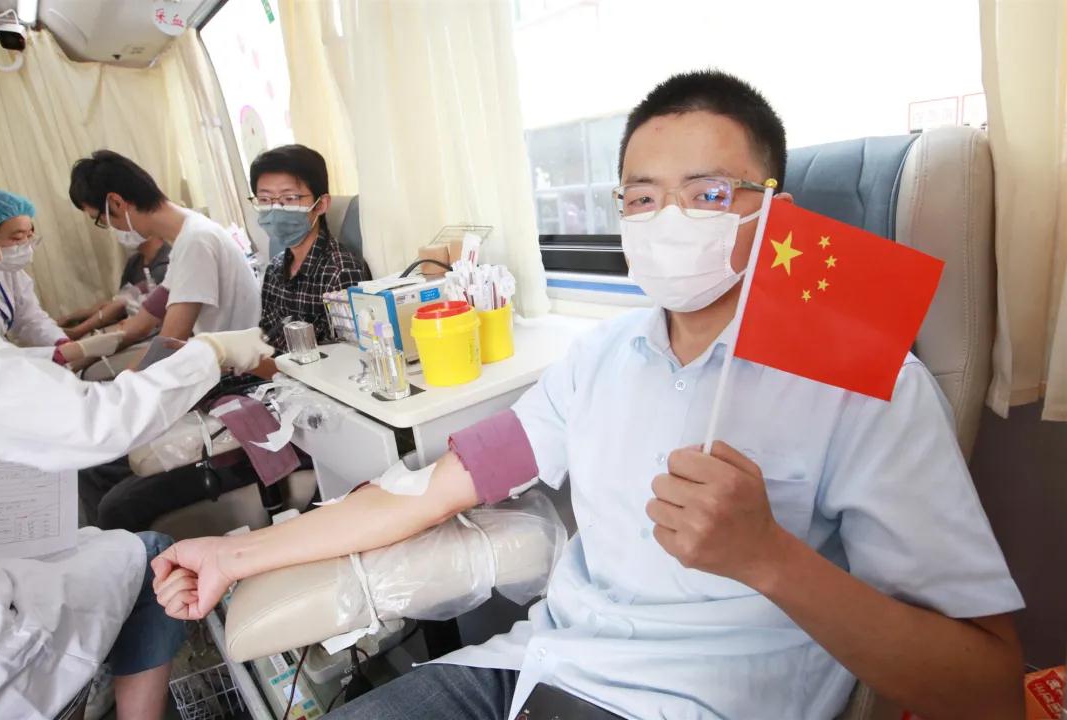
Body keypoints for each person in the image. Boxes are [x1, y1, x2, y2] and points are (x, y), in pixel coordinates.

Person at [152, 71, 1025, 720]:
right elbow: (429, 490)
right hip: (534, 667)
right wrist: (237, 554)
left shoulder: (865, 384)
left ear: (770, 212)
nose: (668, 218)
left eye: (708, 194)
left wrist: (769, 558)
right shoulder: (599, 359)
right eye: (643, 197)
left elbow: (987, 688)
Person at [0, 326, 272, 719]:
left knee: (103, 521)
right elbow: (93, 421)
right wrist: (211, 350)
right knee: (151, 556)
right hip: (3, 656)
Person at [68, 150, 261, 345]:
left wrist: (126, 369)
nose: (112, 228)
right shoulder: (185, 236)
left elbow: (171, 339)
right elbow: (148, 316)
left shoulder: (195, 240)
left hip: (239, 361)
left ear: (116, 203)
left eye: (101, 220)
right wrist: (80, 347)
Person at [252, 144, 370, 354]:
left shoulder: (340, 271)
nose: (276, 210)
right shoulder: (275, 268)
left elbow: (343, 358)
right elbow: (268, 338)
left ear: (321, 204)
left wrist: (258, 362)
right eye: (265, 200)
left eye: (289, 199)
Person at [0, 189, 112, 365]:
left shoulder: (7, 271)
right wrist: (55, 355)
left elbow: (29, 318)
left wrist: (59, 342)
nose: (26, 245)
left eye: (29, 235)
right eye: (17, 238)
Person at [59, 232, 171, 341]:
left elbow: (124, 302)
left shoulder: (166, 265)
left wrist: (78, 331)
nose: (121, 232)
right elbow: (118, 298)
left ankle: (76, 332)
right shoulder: (134, 261)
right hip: (128, 313)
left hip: (149, 322)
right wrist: (73, 317)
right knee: (108, 304)